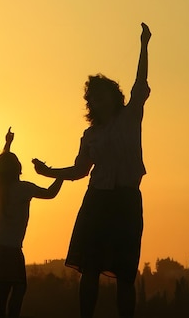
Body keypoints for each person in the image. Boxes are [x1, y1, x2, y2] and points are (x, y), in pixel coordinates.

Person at [32, 22, 151, 318]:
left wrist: (144, 45)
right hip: (96, 202)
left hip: (125, 201)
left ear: (113, 95)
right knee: (90, 269)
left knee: (125, 273)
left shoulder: (130, 116)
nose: (96, 101)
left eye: (100, 94)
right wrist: (49, 173)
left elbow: (140, 83)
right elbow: (79, 170)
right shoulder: (90, 135)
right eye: (92, 98)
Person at [0, 128, 63, 317]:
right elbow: (50, 193)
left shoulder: (1, 188)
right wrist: (62, 175)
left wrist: (8, 144)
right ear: (18, 169)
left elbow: (4, 163)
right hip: (11, 250)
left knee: (2, 291)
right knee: (19, 288)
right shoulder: (24, 189)